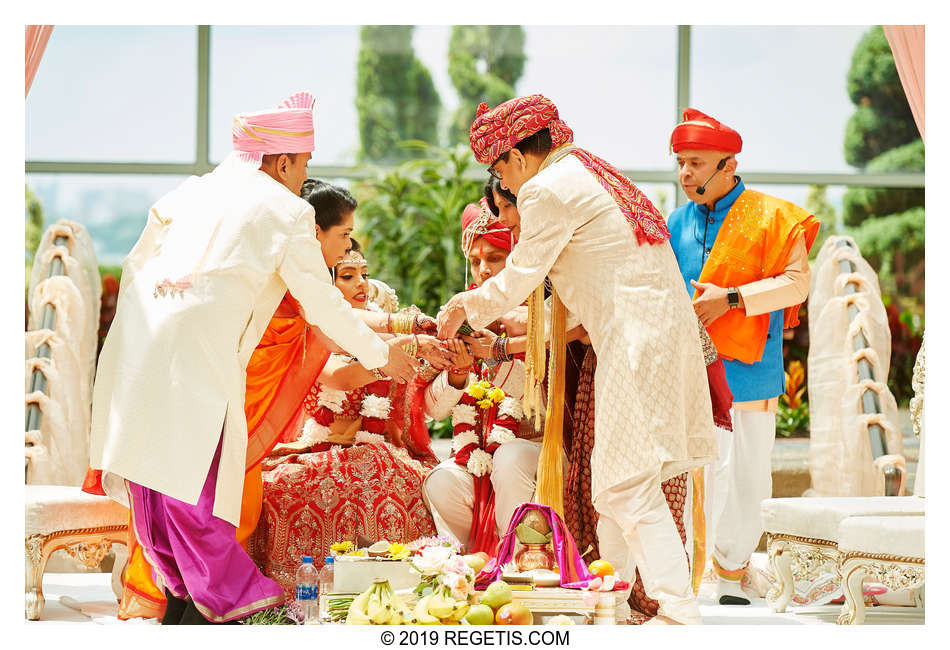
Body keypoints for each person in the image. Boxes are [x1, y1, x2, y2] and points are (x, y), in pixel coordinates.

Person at [88, 92, 418, 624]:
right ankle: (234, 605)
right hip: (199, 364)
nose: (303, 174)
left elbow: (136, 267)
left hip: (141, 349)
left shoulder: (187, 192)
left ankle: (182, 600)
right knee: (196, 487)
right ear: (283, 161)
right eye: (304, 163)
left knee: (156, 480)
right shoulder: (288, 211)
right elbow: (323, 304)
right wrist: (383, 357)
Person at [437, 94, 716, 625]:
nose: (508, 187)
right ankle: (610, 600)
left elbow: (520, 276)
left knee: (625, 483)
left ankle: (679, 611)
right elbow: (588, 273)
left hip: (635, 341)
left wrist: (464, 306)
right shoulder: (589, 169)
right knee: (614, 481)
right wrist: (518, 321)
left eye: (502, 172)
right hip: (651, 335)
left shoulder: (545, 189)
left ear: (518, 158)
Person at [667, 108, 819, 605]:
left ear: (728, 165)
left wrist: (731, 299)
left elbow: (798, 283)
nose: (685, 174)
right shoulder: (674, 222)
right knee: (697, 476)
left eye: (695, 163)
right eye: (681, 163)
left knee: (749, 474)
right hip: (693, 372)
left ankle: (732, 572)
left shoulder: (773, 217)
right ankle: (693, 578)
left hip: (751, 372)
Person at [248, 239, 452, 595]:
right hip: (316, 449)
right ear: (326, 286)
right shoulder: (312, 329)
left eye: (364, 274)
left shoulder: (388, 330)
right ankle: (294, 594)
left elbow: (422, 400)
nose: (362, 284)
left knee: (387, 477)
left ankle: (396, 590)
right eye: (347, 275)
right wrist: (402, 350)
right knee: (285, 487)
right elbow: (338, 377)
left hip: (378, 448)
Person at [422, 200, 541, 554]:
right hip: (474, 454)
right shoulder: (458, 315)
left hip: (535, 445)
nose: (483, 271)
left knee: (510, 458)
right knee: (441, 481)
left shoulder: (538, 312)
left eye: (494, 258)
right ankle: (473, 565)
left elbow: (540, 397)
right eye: (475, 262)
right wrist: (458, 375)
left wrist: (494, 356)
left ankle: (515, 562)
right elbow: (433, 410)